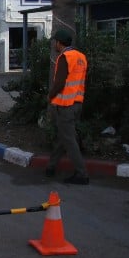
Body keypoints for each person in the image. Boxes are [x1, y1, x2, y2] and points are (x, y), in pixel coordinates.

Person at [46, 29, 89, 185]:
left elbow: (59, 83)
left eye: (55, 42)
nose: (54, 44)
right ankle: (51, 166)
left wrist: (50, 95)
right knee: (63, 136)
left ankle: (82, 174)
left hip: (66, 105)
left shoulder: (65, 57)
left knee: (69, 140)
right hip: (77, 103)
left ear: (59, 42)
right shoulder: (81, 57)